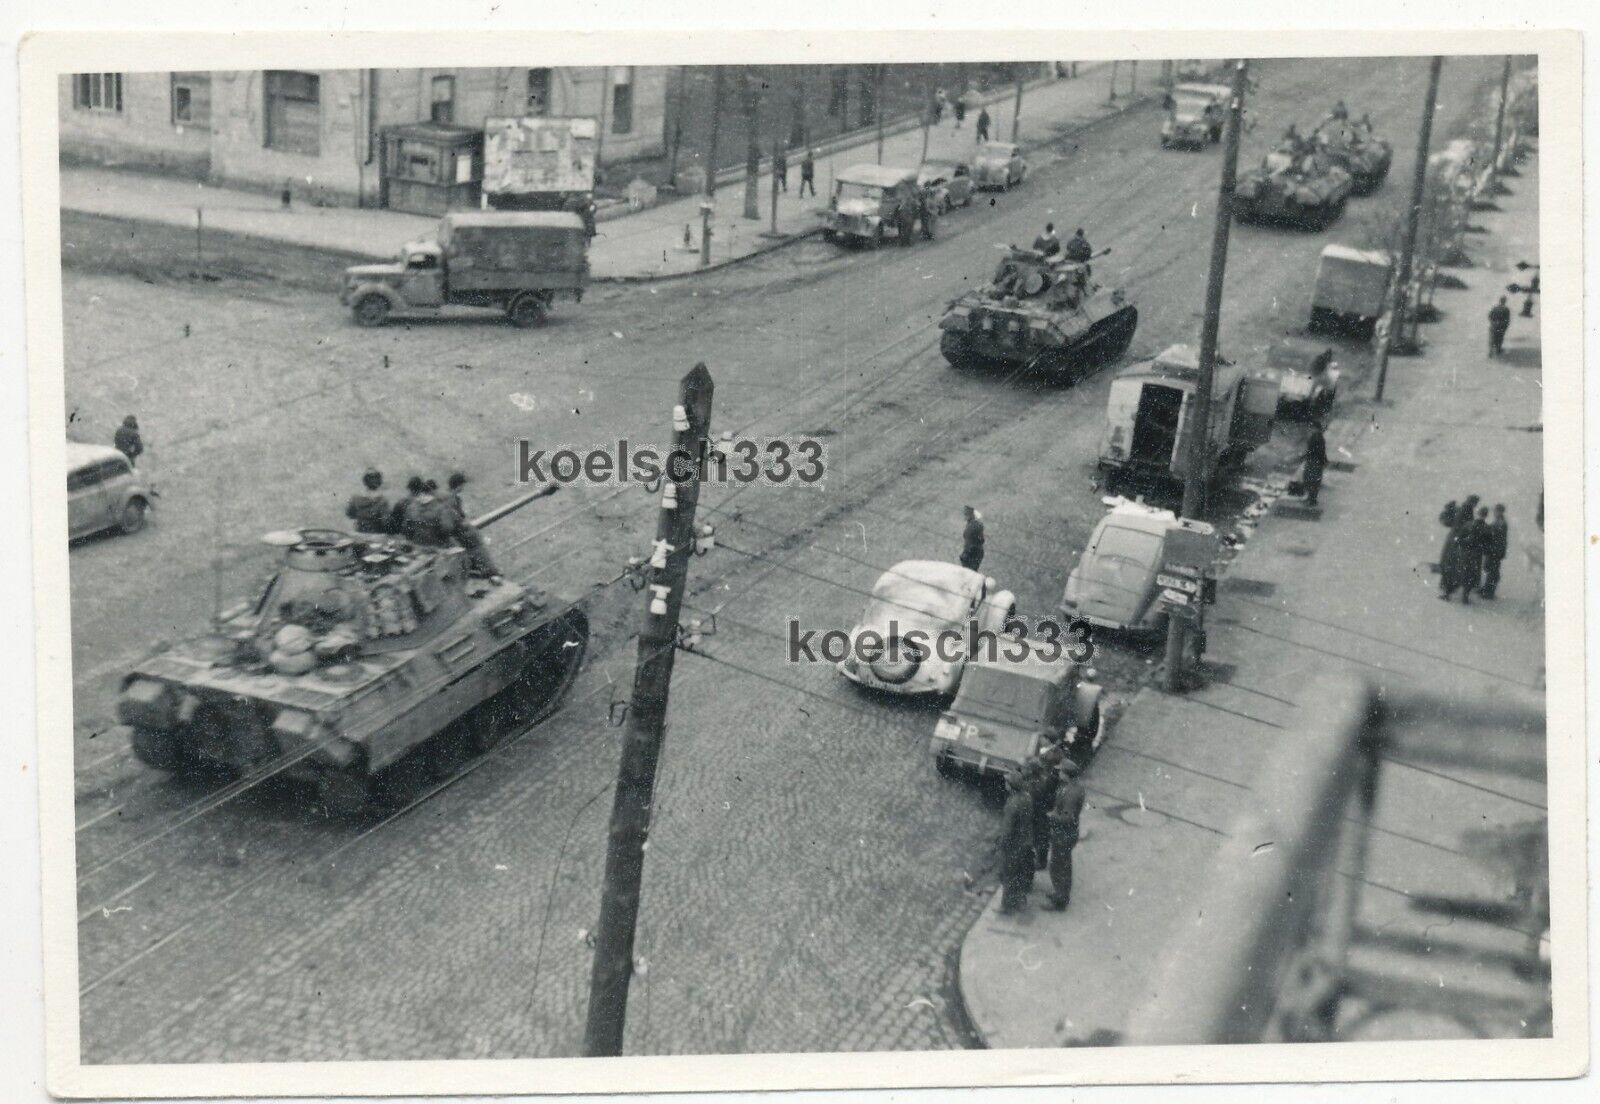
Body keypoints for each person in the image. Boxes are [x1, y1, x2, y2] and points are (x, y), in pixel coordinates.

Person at [1043, 758, 1087, 911]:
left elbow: (1067, 818)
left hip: (1064, 835)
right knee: (1062, 865)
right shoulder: (1073, 787)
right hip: (1066, 834)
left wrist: (1052, 816)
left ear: (1066, 774)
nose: (1059, 773)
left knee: (1059, 867)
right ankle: (1059, 894)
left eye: (1061, 771)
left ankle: (1060, 900)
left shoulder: (1071, 793)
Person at [998, 771, 1035, 915]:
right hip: (1025, 841)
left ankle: (1006, 906)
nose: (1005, 784)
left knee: (1008, 873)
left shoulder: (1012, 803)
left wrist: (1002, 844)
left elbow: (1007, 829)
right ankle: (1020, 900)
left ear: (1011, 786)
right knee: (1020, 871)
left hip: (1013, 844)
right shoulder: (1027, 798)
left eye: (1007, 782)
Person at [345, 469, 391, 534]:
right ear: (380, 481)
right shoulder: (382, 500)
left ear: (365, 481)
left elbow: (350, 514)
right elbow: (385, 521)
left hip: (359, 532)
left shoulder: (355, 497)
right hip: (376, 534)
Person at [1481, 503, 1509, 599]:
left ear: (1500, 511)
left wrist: (1486, 529)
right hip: (1495, 549)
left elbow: (1495, 534)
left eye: (1496, 511)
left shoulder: (1501, 522)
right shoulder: (1499, 521)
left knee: (1493, 571)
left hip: (1495, 550)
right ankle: (1487, 589)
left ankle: (1489, 592)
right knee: (1490, 569)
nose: (1494, 512)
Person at [1300, 421, 1328, 507]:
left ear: (1315, 428)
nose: (1310, 429)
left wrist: (1305, 456)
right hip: (1315, 461)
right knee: (1311, 480)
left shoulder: (1316, 437)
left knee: (1311, 480)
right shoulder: (1318, 436)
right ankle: (1311, 498)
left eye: (1311, 427)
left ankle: (1312, 500)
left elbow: (1317, 451)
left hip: (1314, 461)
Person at [960, 505, 985, 571]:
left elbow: (969, 544)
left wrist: (964, 555)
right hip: (977, 553)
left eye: (965, 513)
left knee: (969, 572)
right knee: (972, 571)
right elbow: (981, 539)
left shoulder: (971, 527)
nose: (964, 515)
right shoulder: (977, 524)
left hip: (971, 554)